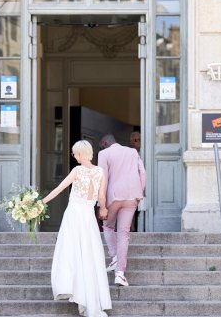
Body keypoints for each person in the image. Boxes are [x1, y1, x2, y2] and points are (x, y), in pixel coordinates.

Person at [43, 140, 112, 317]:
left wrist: (41, 202)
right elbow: (101, 197)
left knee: (71, 252)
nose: (74, 156)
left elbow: (59, 188)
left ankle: (74, 289)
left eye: (75, 153)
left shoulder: (77, 171)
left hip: (74, 214)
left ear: (81, 154)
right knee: (89, 255)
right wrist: (103, 209)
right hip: (88, 216)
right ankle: (90, 298)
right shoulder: (100, 172)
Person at [98, 134, 146, 287]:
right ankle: (120, 274)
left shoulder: (103, 154)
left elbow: (102, 178)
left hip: (113, 195)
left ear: (104, 143)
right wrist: (140, 192)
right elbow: (142, 173)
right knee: (124, 232)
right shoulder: (133, 152)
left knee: (107, 226)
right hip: (132, 195)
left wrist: (102, 204)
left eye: (101, 145)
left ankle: (114, 257)